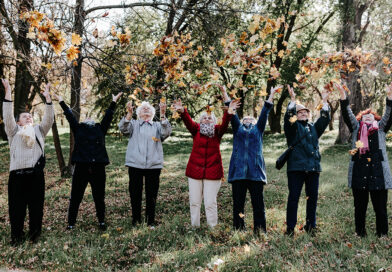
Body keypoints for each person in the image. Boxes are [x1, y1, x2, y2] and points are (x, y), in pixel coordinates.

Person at [54, 92, 123, 231]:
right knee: (76, 197)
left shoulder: (100, 128)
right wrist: (61, 101)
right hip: (81, 167)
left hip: (98, 167)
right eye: (86, 117)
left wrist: (114, 101)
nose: (89, 117)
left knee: (99, 197)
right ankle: (71, 223)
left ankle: (101, 222)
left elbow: (108, 117)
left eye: (91, 116)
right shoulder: (78, 128)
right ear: (83, 121)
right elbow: (69, 115)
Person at [220, 85, 281, 233]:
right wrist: (224, 93)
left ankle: (260, 231)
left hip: (256, 173)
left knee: (258, 205)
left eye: (251, 118)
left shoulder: (258, 129)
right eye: (245, 118)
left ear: (255, 122)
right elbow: (231, 111)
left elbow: (265, 112)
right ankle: (239, 230)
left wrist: (271, 94)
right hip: (239, 173)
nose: (248, 119)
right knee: (238, 205)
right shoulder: (237, 129)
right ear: (241, 121)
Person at [172, 98, 240, 228]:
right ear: (200, 121)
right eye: (204, 118)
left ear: (214, 122)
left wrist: (229, 112)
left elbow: (225, 123)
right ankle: (195, 226)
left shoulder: (217, 132)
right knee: (194, 202)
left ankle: (212, 227)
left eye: (210, 118)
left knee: (210, 202)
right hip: (194, 171)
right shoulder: (195, 130)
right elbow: (187, 121)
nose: (207, 120)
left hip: (212, 171)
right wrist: (182, 111)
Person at [336, 82, 392, 237]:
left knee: (380, 207)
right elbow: (347, 113)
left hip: (378, 173)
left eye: (371, 115)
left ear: (375, 119)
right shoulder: (356, 128)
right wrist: (343, 96)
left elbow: (389, 114)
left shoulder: (380, 129)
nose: (368, 116)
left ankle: (383, 234)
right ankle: (360, 233)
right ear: (360, 119)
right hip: (359, 172)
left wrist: (389, 97)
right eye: (365, 115)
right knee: (360, 207)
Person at [2, 78, 54, 244]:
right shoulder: (13, 131)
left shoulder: (39, 130)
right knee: (16, 209)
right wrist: (8, 92)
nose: (28, 118)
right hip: (17, 176)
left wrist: (48, 100)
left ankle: (34, 235)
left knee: (36, 208)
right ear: (18, 121)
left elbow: (49, 120)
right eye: (25, 117)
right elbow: (7, 116)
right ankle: (16, 237)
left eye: (30, 116)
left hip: (35, 176)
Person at [284, 85, 330, 236]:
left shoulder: (314, 128)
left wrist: (324, 100)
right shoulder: (292, 128)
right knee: (293, 199)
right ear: (296, 115)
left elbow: (324, 119)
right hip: (296, 169)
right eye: (300, 112)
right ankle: (290, 228)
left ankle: (311, 227)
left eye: (305, 112)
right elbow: (288, 117)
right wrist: (292, 100)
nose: (303, 114)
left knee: (312, 199)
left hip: (313, 169)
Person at [118, 100, 171, 226]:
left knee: (151, 194)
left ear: (153, 113)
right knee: (135, 194)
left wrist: (163, 115)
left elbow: (166, 133)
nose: (146, 109)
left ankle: (150, 221)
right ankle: (136, 220)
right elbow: (123, 129)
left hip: (153, 165)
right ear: (138, 113)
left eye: (148, 108)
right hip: (135, 164)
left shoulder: (158, 125)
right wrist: (129, 115)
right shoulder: (134, 124)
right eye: (143, 108)